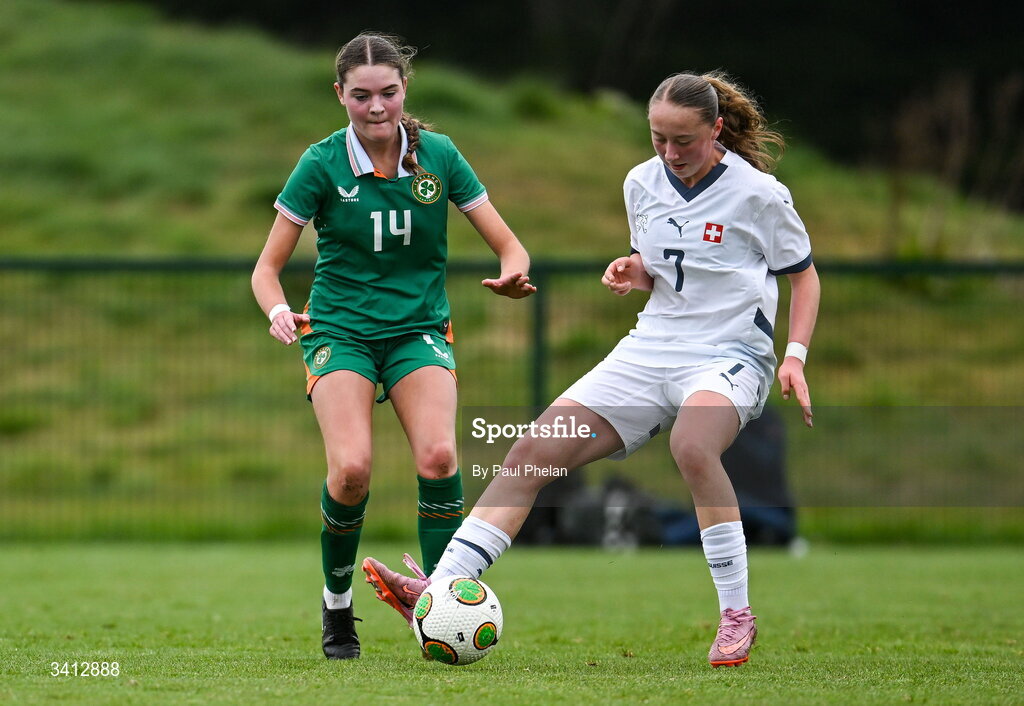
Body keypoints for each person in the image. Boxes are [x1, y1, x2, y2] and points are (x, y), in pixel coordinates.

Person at [363, 70, 820, 668]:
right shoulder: (641, 182)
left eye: (683, 140)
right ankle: (440, 588)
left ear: (716, 129)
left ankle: (736, 613)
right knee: (530, 453)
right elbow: (659, 263)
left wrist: (794, 355)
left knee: (692, 446)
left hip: (729, 354)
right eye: (658, 138)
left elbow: (803, 275)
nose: (670, 153)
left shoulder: (759, 193)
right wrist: (633, 270)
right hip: (650, 348)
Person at [251, 32, 535, 660]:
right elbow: (266, 268)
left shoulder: (439, 155)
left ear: (405, 90)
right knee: (350, 471)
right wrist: (276, 309)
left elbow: (509, 243)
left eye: (388, 93)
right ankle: (336, 606)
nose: (376, 108)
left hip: (418, 330)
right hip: (340, 331)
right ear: (340, 95)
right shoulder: (321, 164)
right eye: (361, 96)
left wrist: (513, 270)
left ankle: (437, 599)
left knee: (438, 457)